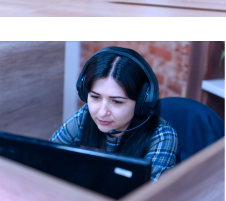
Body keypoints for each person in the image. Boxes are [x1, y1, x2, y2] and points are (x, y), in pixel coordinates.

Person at [49, 47, 178, 183]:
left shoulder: (162, 137)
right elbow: (46, 158)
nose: (102, 112)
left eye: (116, 101)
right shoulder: (83, 117)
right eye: (95, 97)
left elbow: (148, 195)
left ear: (142, 102)